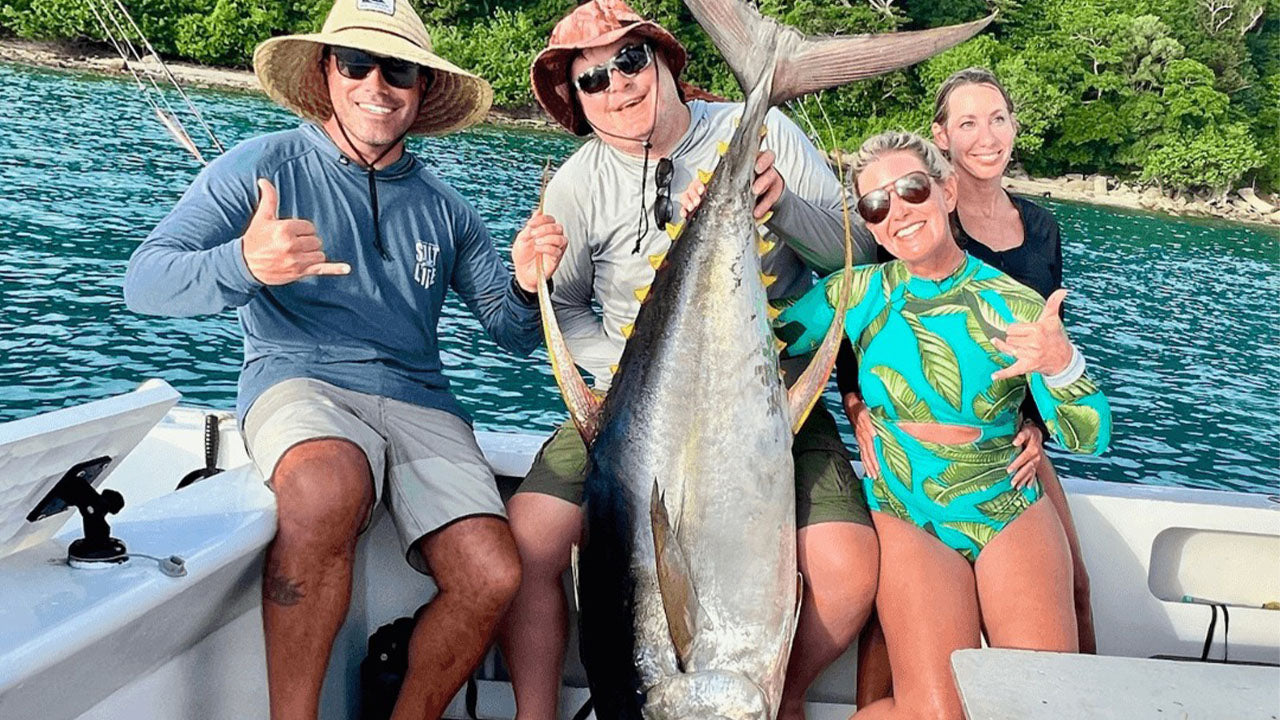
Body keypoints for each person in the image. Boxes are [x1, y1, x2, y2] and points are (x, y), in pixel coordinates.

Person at [122, 1, 566, 717]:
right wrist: (244, 262)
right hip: (299, 378)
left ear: (422, 88)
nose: (376, 85)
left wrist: (524, 281)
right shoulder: (262, 165)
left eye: (399, 70)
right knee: (326, 486)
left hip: (422, 401)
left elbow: (510, 334)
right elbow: (145, 282)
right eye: (356, 64)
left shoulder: (448, 207)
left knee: (491, 574)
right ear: (326, 73)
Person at [497, 2, 880, 718]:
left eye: (629, 61)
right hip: (625, 408)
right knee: (528, 541)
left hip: (769, 388)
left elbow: (861, 251)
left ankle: (779, 699)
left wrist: (785, 207)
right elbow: (562, 309)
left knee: (848, 571)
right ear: (576, 102)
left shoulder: (766, 131)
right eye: (592, 80)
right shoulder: (579, 185)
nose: (616, 85)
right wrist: (545, 295)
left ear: (666, 61)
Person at [779, 130, 1111, 720]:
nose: (897, 212)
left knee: (1041, 708)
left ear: (947, 192)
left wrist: (1062, 365)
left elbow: (1091, 436)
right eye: (876, 205)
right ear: (869, 225)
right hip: (908, 508)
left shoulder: (1015, 304)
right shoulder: (853, 293)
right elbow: (759, 338)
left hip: (1005, 502)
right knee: (935, 715)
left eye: (911, 190)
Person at [838, 70, 1096, 697]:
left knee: (1079, 587)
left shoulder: (1037, 226)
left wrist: (1037, 421)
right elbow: (862, 337)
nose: (986, 136)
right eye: (968, 123)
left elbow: (1050, 338)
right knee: (893, 619)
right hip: (914, 462)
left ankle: (1088, 697)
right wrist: (858, 408)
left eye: (998, 119)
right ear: (943, 138)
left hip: (1006, 438)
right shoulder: (903, 226)